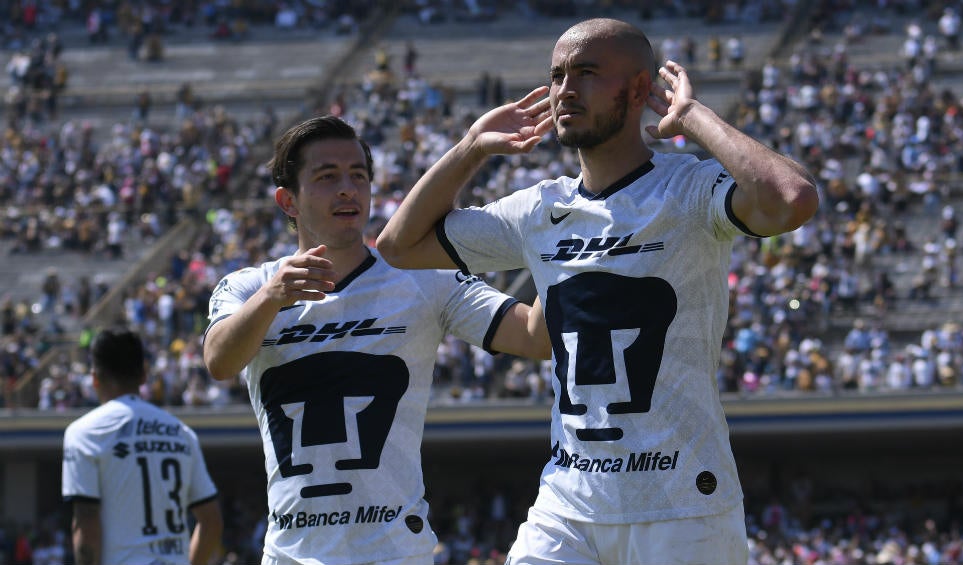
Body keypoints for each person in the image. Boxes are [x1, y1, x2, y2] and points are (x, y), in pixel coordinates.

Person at [376, 17, 818, 565]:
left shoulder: (687, 189)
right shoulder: (538, 209)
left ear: (638, 90)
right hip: (569, 503)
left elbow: (792, 199)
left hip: (682, 506)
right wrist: (471, 147)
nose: (565, 89)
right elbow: (399, 246)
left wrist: (692, 118)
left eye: (586, 73)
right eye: (558, 75)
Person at [202, 115, 550, 564]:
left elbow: (534, 338)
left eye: (358, 176)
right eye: (327, 177)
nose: (348, 189)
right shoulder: (248, 288)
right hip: (290, 555)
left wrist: (557, 246)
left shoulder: (425, 280)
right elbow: (219, 361)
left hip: (396, 554)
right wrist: (272, 298)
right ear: (288, 201)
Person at [61, 326, 223, 565]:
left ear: (95, 378)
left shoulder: (85, 433)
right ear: (144, 375)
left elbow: (86, 523)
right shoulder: (181, 433)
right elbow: (211, 522)